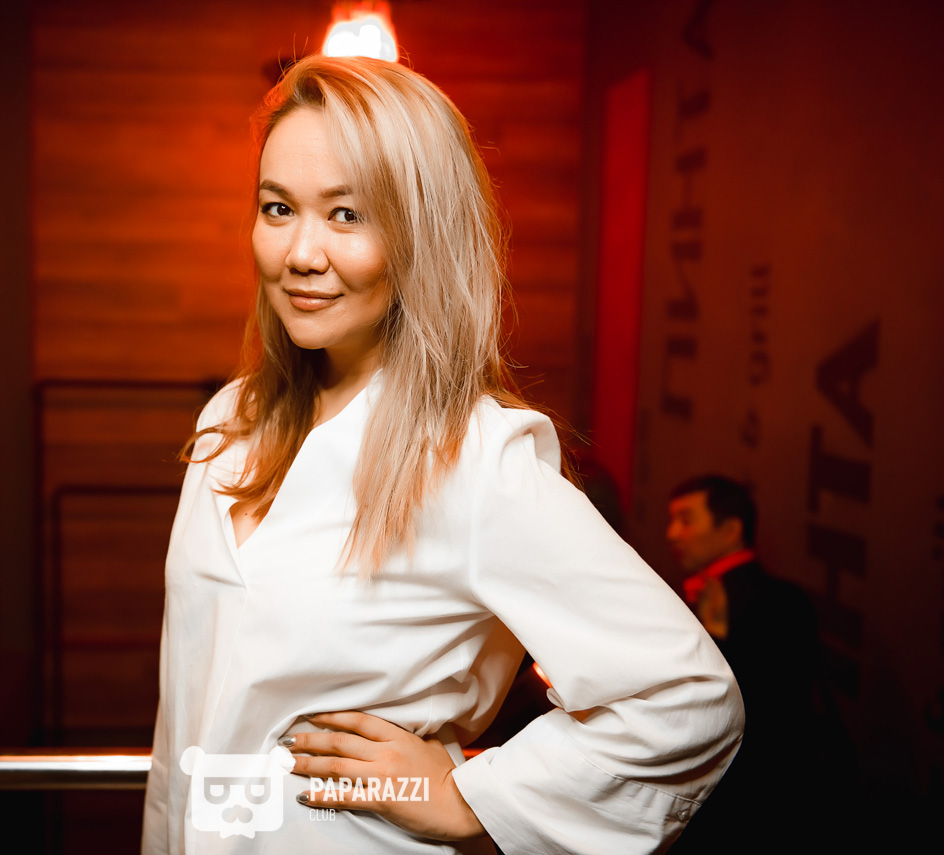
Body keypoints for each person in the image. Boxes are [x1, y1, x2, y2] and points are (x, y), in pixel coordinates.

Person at [142, 55, 743, 854]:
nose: (300, 252)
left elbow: (686, 700)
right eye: (278, 207)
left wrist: (473, 799)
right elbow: (185, 713)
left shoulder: (471, 459)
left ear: (419, 235)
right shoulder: (230, 421)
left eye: (347, 215)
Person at [665, 474, 830, 854]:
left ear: (730, 530)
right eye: (671, 520)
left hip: (753, 802)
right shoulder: (702, 594)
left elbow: (770, 711)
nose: (672, 534)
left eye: (686, 520)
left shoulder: (777, 601)